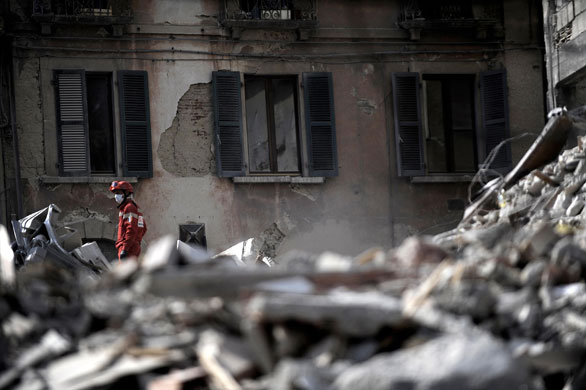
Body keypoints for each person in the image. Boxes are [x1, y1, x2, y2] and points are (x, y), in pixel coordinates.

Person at [109, 180, 147, 261]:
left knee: (126, 272)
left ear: (126, 193)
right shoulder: (132, 207)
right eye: (116, 193)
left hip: (128, 248)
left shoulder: (128, 208)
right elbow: (143, 228)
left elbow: (131, 229)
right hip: (131, 246)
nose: (116, 196)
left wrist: (125, 248)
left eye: (119, 193)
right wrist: (136, 241)